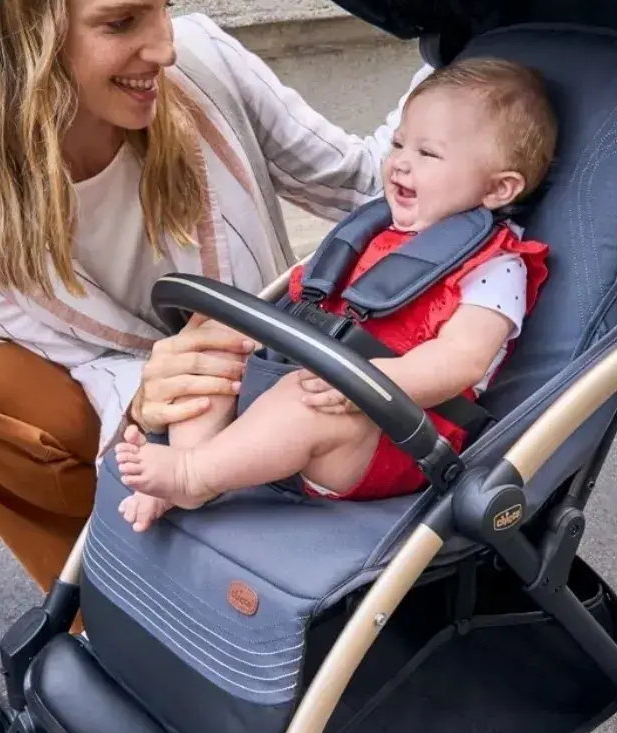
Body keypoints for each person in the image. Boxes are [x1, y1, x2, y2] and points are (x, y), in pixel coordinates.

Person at [0, 0, 411, 594]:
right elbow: (77, 358)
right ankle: (108, 604)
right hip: (139, 421)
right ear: (26, 32)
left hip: (284, 394)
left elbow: (361, 181)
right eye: (122, 21)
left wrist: (467, 49)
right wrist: (148, 391)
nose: (162, 47)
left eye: (164, 5)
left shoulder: (203, 64)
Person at [114, 58, 553, 527]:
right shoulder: (377, 230)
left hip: (387, 435)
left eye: (428, 153)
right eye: (398, 143)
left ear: (498, 188)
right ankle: (192, 462)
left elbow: (461, 360)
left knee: (300, 401)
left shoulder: (496, 266)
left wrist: (364, 383)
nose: (401, 161)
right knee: (213, 342)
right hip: (308, 378)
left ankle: (193, 475)